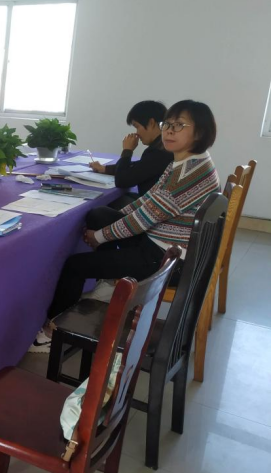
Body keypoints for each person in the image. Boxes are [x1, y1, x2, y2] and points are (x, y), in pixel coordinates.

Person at [31, 100, 220, 353]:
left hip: (164, 259)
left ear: (200, 132)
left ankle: (52, 332)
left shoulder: (185, 175)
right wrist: (113, 222)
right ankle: (108, 282)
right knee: (101, 214)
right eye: (167, 124)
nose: (169, 131)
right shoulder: (188, 161)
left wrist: (100, 237)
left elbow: (144, 219)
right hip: (166, 244)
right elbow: (148, 200)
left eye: (179, 125)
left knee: (75, 266)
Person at [89, 100, 173, 208]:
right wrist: (105, 169)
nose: (137, 133)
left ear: (151, 123)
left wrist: (127, 150)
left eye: (137, 126)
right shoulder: (162, 146)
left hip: (151, 209)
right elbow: (139, 167)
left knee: (96, 211)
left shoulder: (158, 152)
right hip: (151, 201)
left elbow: (122, 181)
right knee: (116, 200)